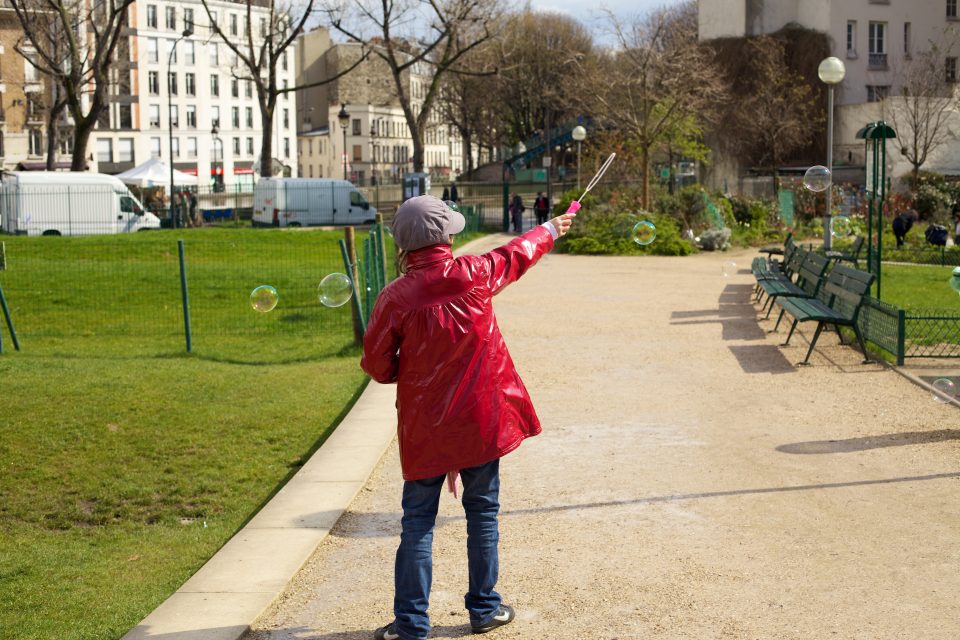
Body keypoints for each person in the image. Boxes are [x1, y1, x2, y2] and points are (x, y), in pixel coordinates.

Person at [361, 195, 576, 640]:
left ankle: (411, 625)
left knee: (417, 522)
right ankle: (484, 609)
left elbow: (378, 367)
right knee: (483, 513)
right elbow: (516, 254)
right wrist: (552, 228)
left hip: (425, 430)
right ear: (446, 238)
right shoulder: (475, 274)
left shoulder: (394, 298)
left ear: (403, 245)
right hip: (482, 421)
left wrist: (414, 367)